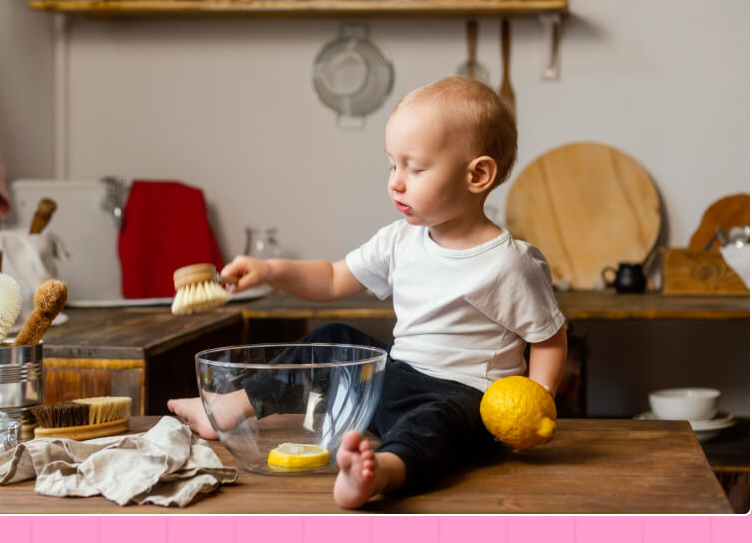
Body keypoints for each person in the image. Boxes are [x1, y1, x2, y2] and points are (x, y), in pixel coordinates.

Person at [168, 75, 568, 508]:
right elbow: (331, 278)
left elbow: (547, 338)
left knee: (433, 428)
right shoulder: (400, 239)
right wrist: (270, 270)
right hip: (395, 377)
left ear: (478, 175)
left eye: (415, 168)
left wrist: (537, 403)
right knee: (335, 337)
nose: (396, 181)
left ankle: (380, 472)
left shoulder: (509, 263)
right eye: (392, 165)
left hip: (466, 397)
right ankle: (231, 407)